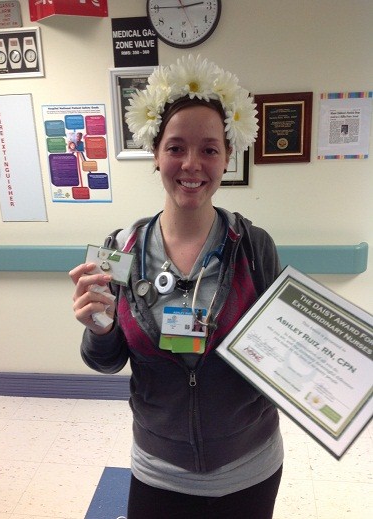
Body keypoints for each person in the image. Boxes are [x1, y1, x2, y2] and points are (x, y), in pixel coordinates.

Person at [70, 55, 283, 519]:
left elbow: (279, 353)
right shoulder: (119, 250)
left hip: (248, 466)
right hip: (159, 469)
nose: (191, 164)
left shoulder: (253, 247)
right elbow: (106, 362)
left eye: (209, 149)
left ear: (228, 157)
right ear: (155, 154)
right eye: (175, 147)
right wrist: (99, 329)